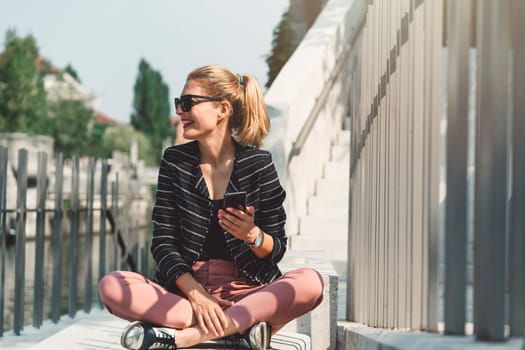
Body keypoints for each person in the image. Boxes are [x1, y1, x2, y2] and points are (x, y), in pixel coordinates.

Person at [98, 65, 324, 350]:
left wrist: (252, 234)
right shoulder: (174, 161)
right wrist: (198, 295)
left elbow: (276, 248)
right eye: (179, 103)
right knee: (112, 285)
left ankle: (187, 336)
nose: (181, 110)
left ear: (223, 109)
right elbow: (163, 244)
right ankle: (240, 330)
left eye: (189, 102)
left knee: (311, 283)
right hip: (184, 292)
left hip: (249, 290)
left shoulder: (259, 164)